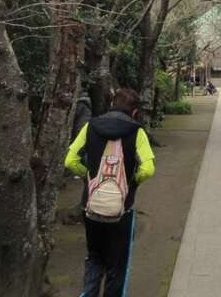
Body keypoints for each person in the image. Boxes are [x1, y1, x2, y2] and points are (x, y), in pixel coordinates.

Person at [65, 87, 155, 297]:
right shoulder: (137, 131)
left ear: (111, 104)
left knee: (94, 257)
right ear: (134, 113)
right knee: (117, 265)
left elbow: (70, 161)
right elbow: (148, 169)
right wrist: (133, 182)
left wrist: (88, 176)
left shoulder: (90, 126)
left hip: (92, 208)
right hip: (122, 210)